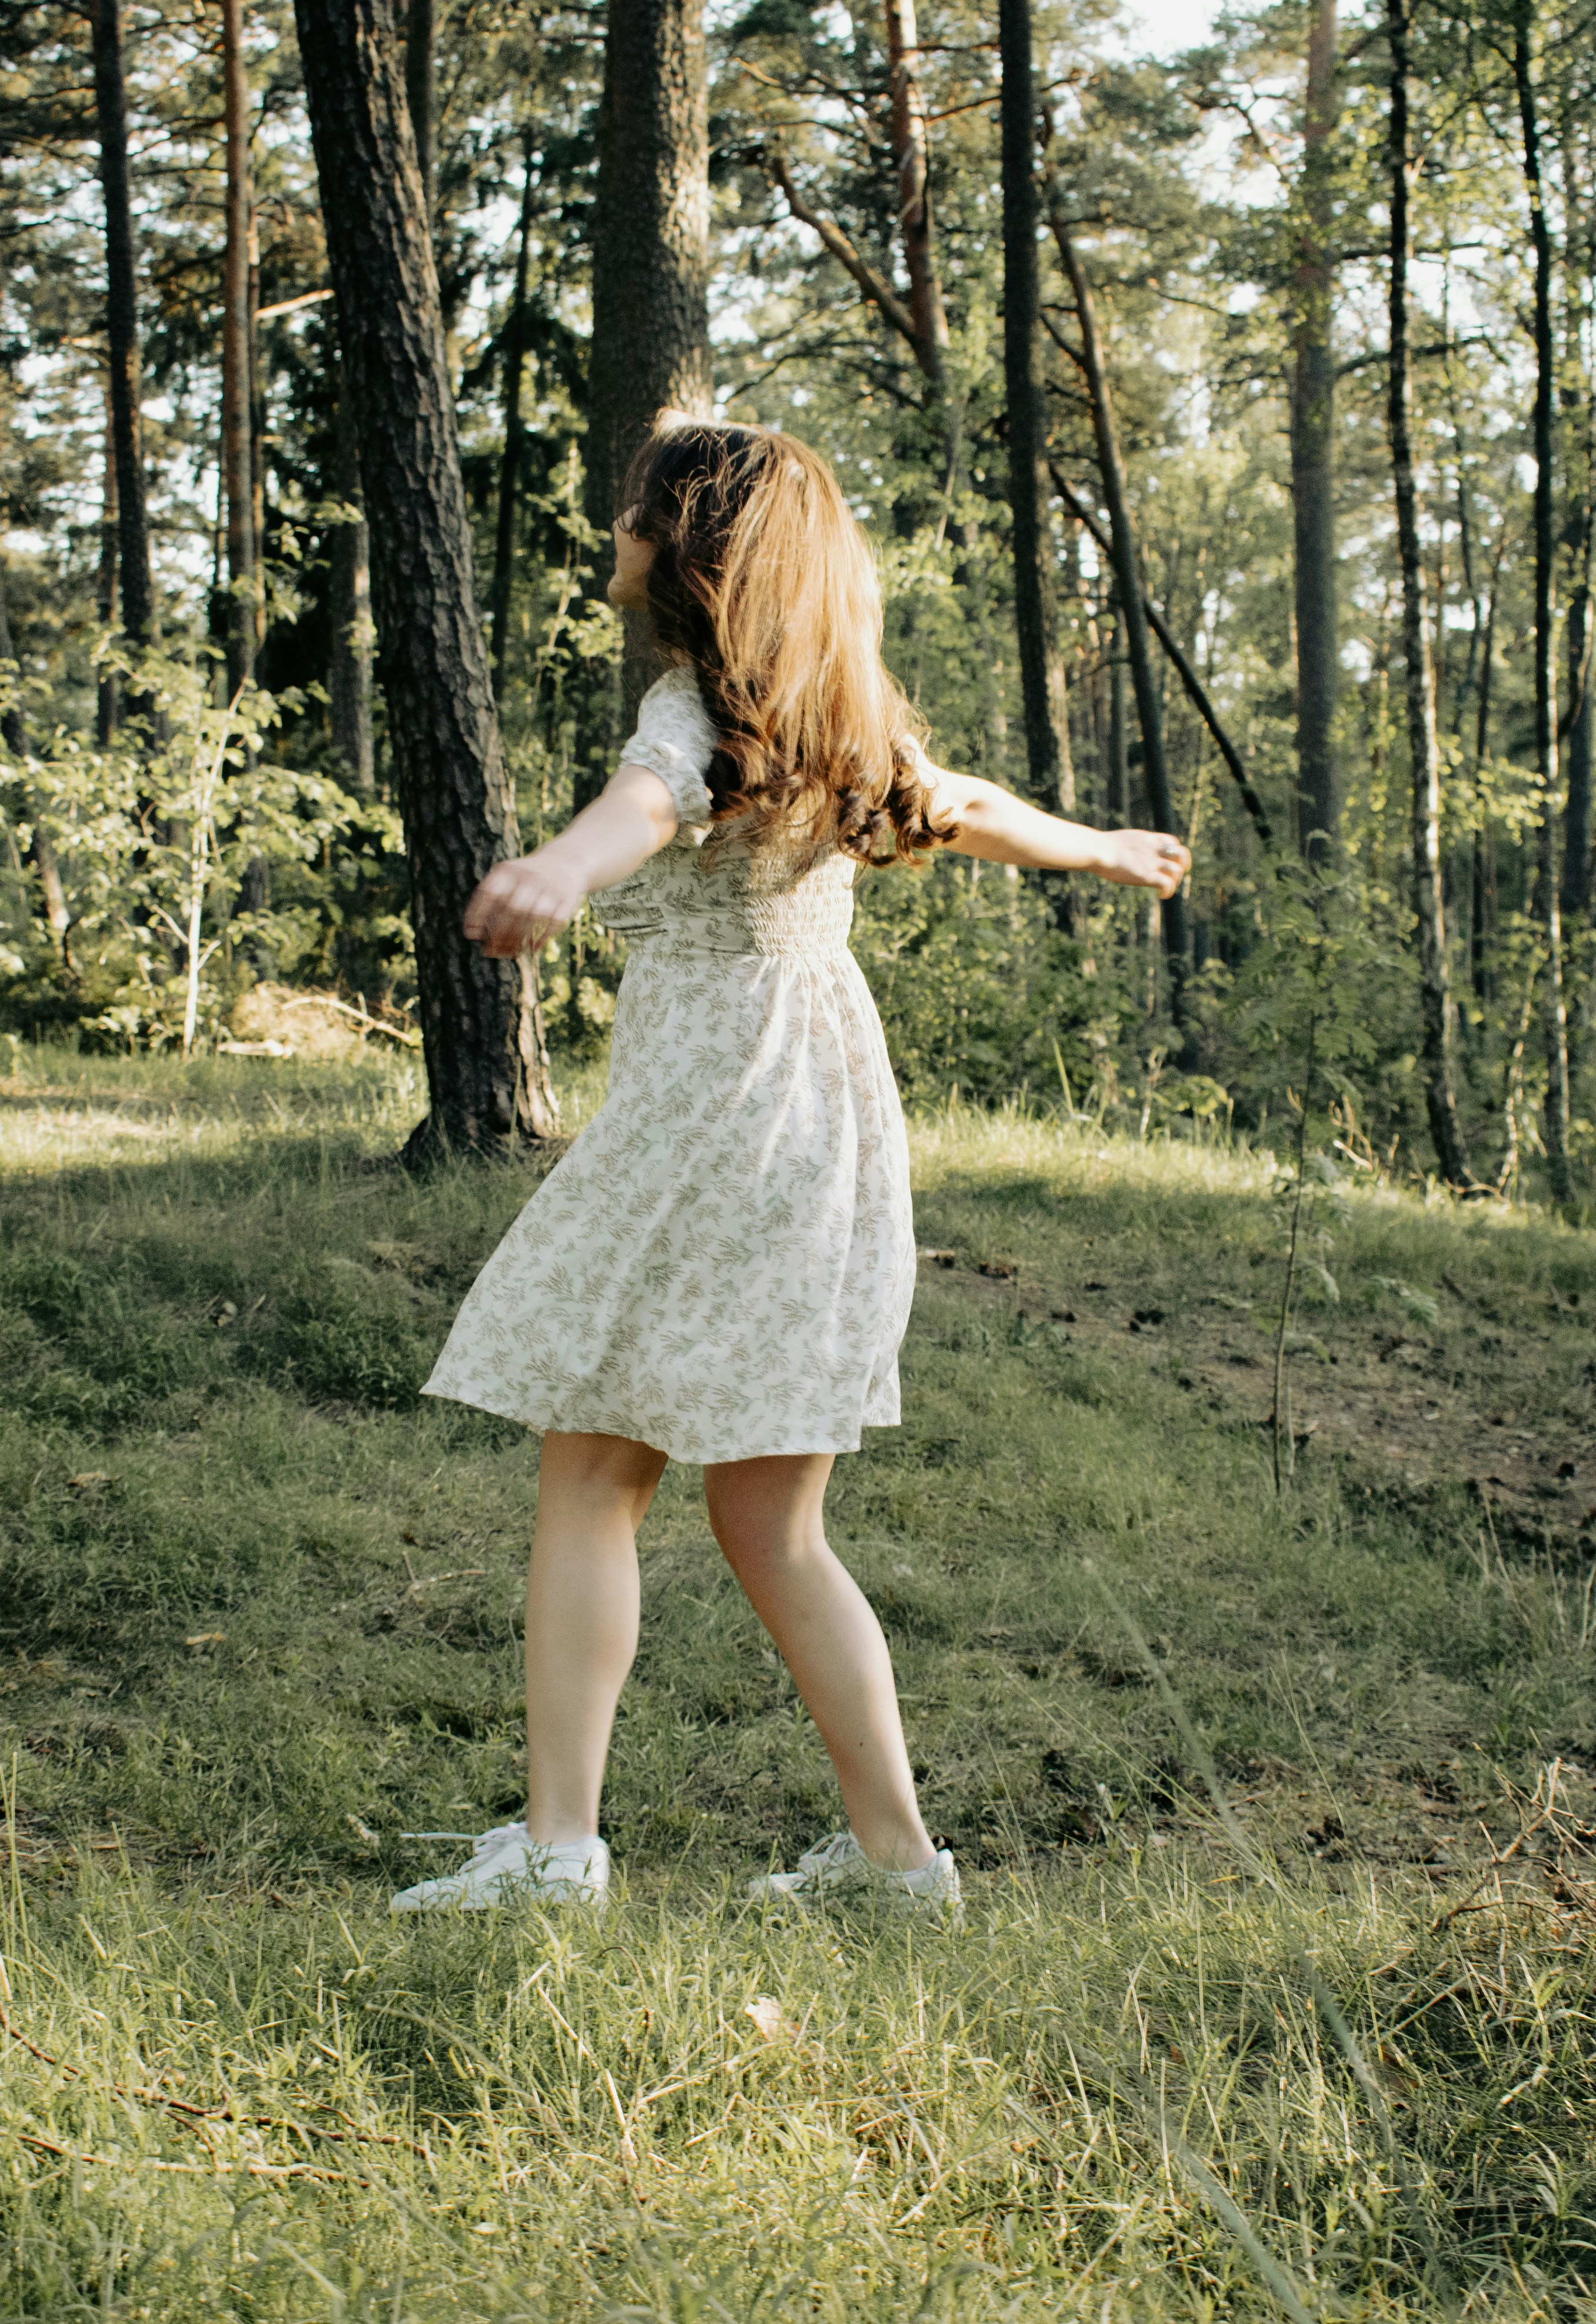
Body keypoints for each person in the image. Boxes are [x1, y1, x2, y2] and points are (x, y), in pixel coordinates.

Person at [397, 419, 1188, 1916]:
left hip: (714, 1120)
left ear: (687, 551)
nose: (613, 520)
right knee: (773, 1522)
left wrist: (557, 871)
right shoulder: (842, 716)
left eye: (634, 503)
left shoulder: (696, 712)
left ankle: (559, 1850)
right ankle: (901, 1866)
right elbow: (957, 805)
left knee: (593, 1467)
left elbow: (642, 807)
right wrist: (1092, 848)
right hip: (827, 1129)